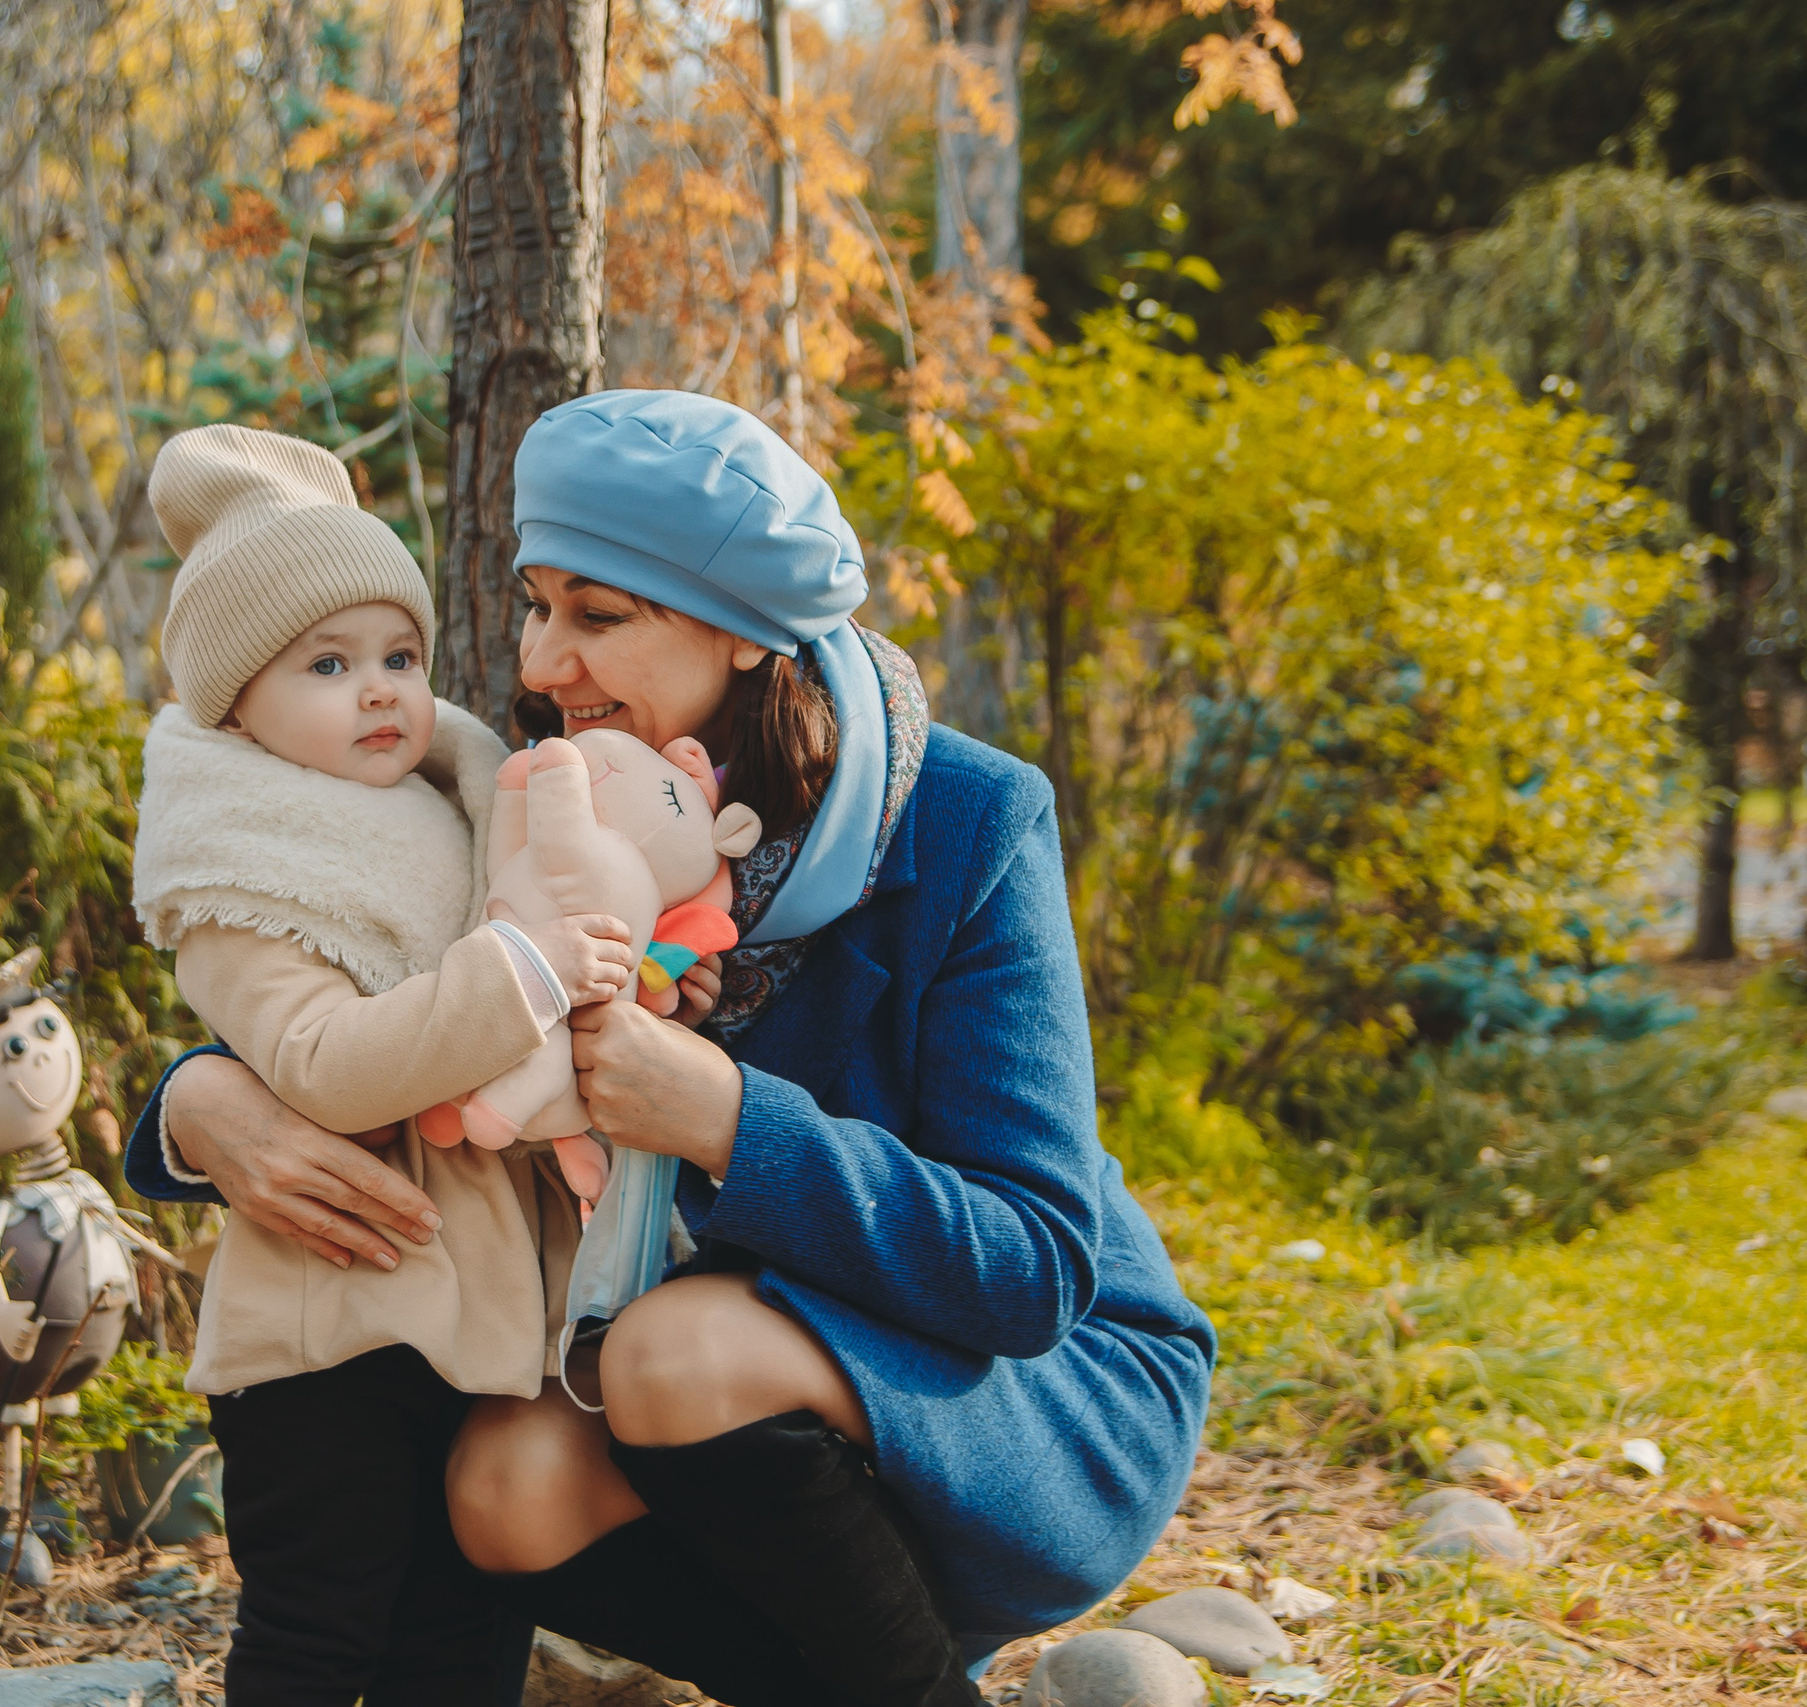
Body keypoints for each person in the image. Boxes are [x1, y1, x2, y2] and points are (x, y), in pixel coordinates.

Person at [128, 393, 1217, 1707]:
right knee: (499, 1481)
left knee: (670, 1351)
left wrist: (727, 1118)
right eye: (535, 606)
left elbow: (1035, 1267)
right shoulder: (561, 784)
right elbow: (336, 965)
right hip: (735, 1429)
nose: (538, 662)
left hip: (1026, 1395)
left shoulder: (968, 822)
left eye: (598, 616)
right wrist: (196, 1102)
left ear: (748, 630)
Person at [127, 424, 629, 1707]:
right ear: (236, 702)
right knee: (316, 1631)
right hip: (327, 1341)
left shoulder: (451, 813)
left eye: (399, 657)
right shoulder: (244, 878)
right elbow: (325, 1068)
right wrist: (519, 967)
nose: (381, 691)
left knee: (460, 1637)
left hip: (475, 1324)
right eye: (329, 664)